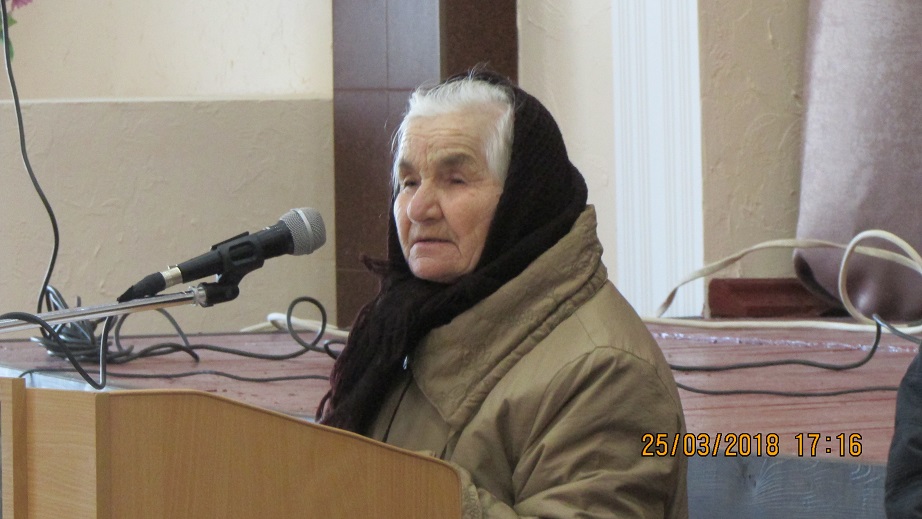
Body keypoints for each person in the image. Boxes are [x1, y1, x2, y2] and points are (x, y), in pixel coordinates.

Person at [317, 69, 687, 518]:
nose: (418, 208)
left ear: (522, 199)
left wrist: (406, 486)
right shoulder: (404, 328)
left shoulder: (607, 373)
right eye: (409, 182)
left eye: (455, 180)